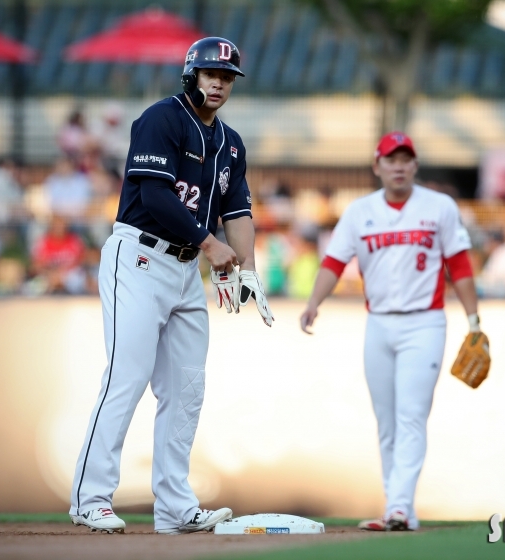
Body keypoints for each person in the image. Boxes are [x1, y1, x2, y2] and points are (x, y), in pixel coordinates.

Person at [69, 37, 273, 535]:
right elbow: (156, 197)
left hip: (184, 270)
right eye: (211, 74)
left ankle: (175, 507)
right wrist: (210, 245)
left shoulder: (230, 142)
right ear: (191, 75)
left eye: (227, 77)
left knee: (186, 389)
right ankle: (90, 497)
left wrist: (245, 266)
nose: (220, 83)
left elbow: (238, 210)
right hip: (138, 255)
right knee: (127, 375)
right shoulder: (162, 118)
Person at [300, 132, 483, 531]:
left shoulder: (439, 207)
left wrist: (473, 321)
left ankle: (398, 507)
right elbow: (333, 261)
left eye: (406, 159)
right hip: (379, 323)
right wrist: (314, 302)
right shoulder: (359, 211)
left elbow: (461, 266)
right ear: (377, 165)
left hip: (425, 321)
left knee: (411, 415)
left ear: (415, 165)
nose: (398, 166)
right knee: (386, 421)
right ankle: (398, 509)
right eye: (391, 159)